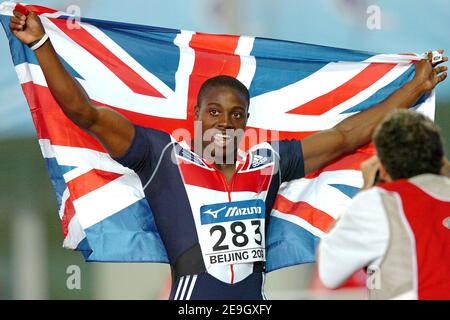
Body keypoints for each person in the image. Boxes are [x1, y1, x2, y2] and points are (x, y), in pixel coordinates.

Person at [9, 9, 448, 300]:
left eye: (235, 114)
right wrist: (43, 44)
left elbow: (345, 135)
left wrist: (415, 87)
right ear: (196, 114)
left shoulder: (267, 164)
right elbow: (83, 112)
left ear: (245, 121)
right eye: (214, 112)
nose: (224, 122)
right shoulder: (161, 155)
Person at [317, 110, 450, 300]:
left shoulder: (380, 201)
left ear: (383, 169)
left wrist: (365, 189)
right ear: (440, 161)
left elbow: (328, 271)